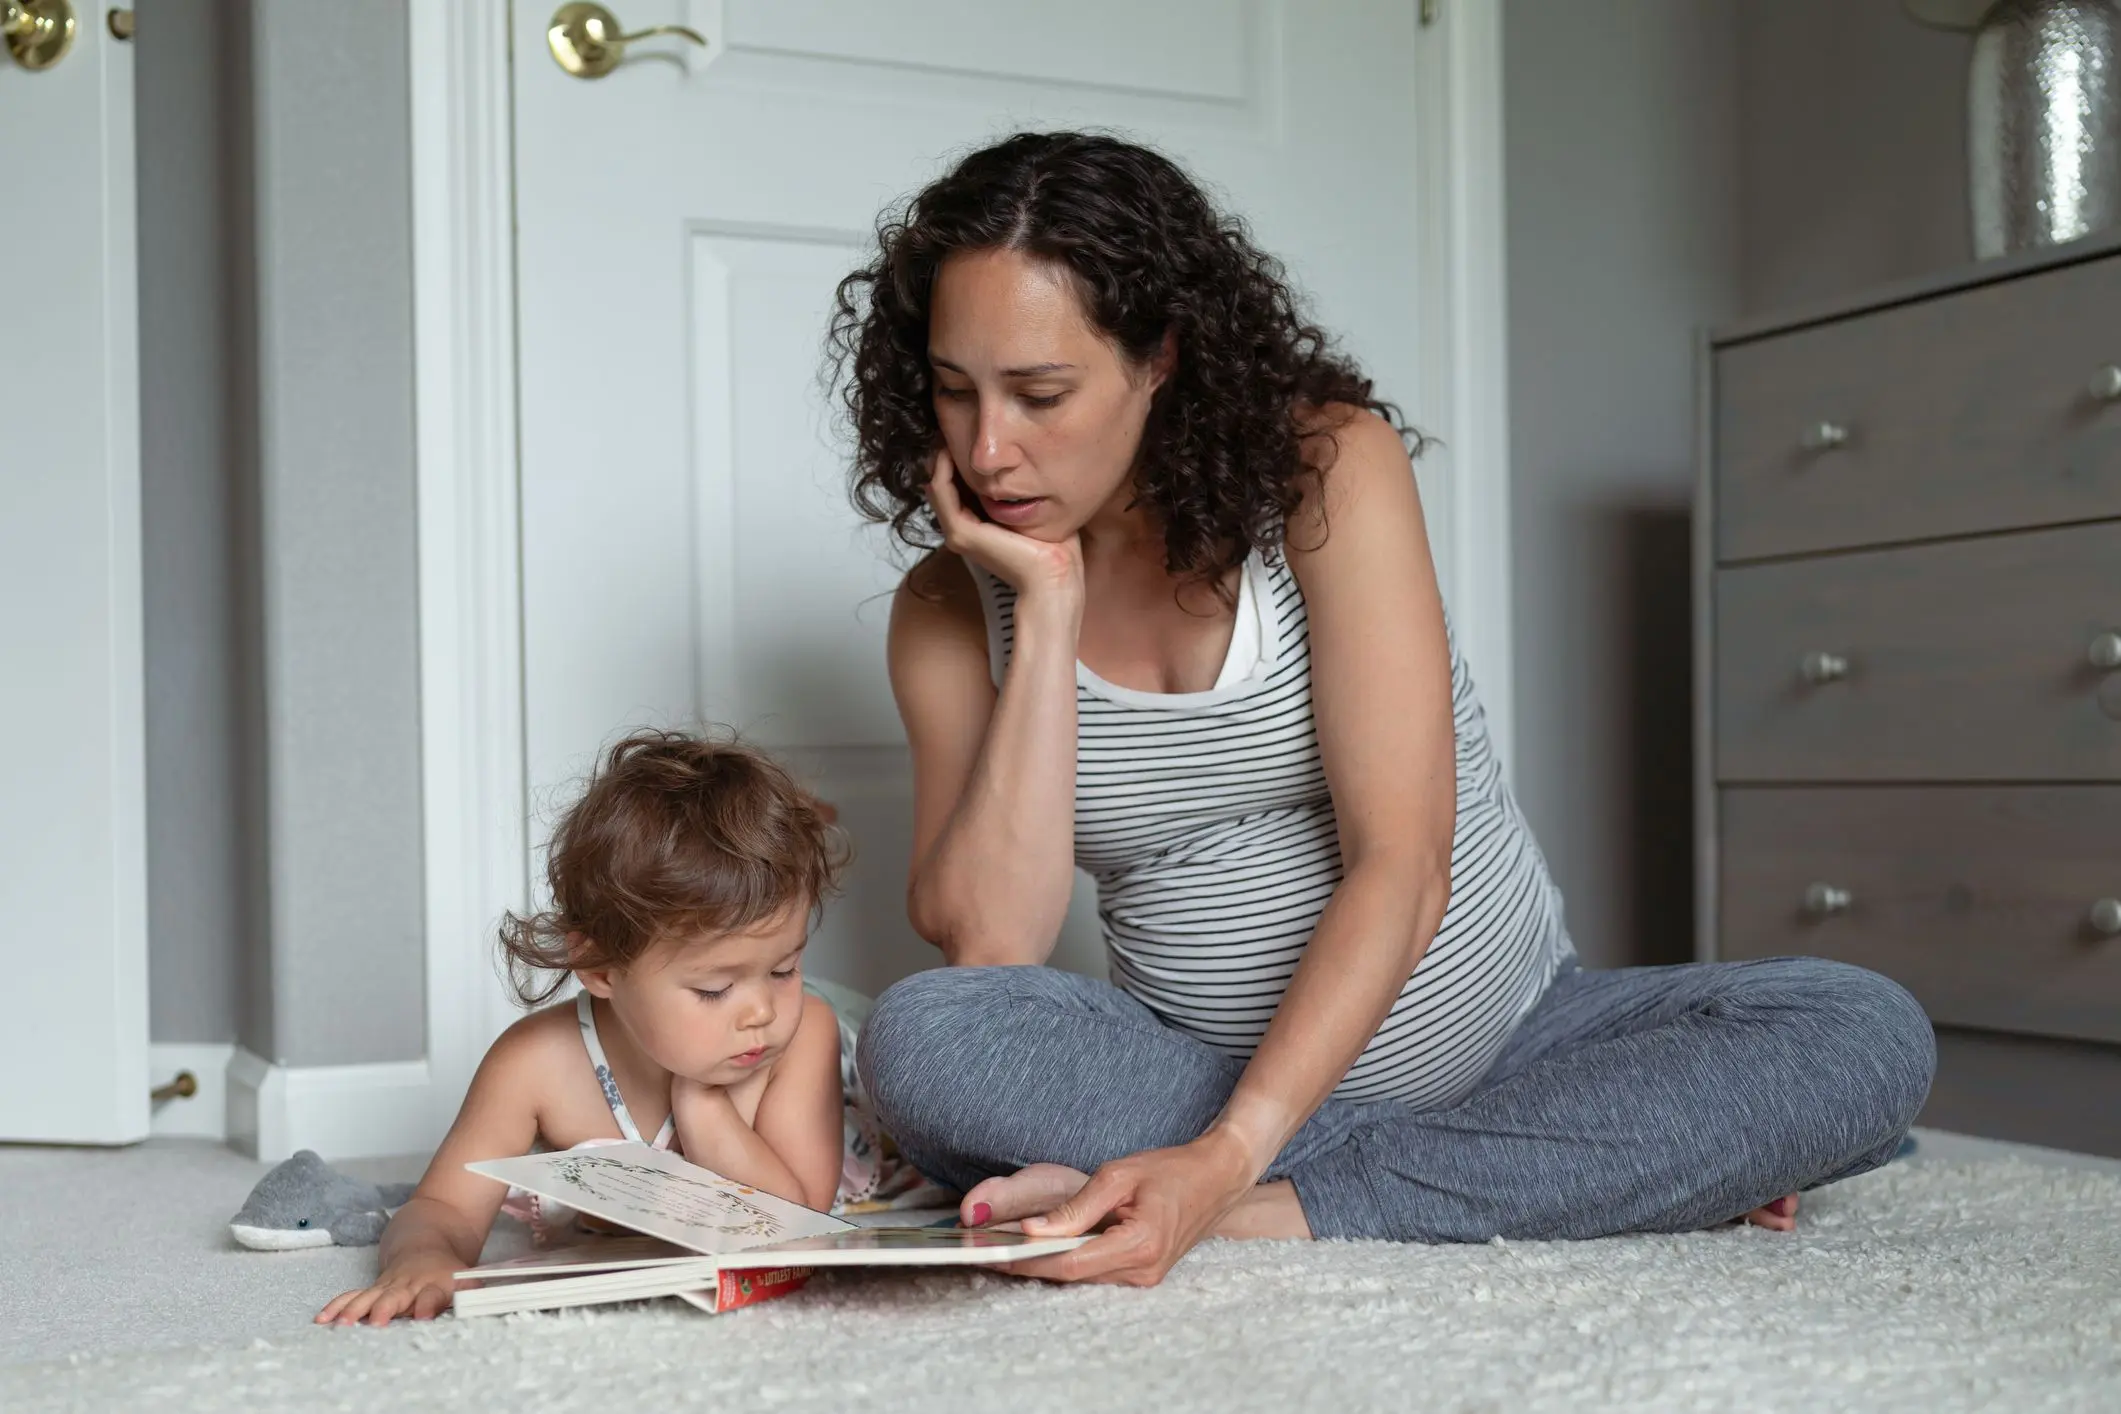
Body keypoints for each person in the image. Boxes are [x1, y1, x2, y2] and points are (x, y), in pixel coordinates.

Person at [831, 131, 1936, 1287]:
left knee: (1863, 1035)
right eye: (954, 390)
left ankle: (1259, 1206)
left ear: (1160, 358)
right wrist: (1047, 607)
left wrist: (1226, 1163)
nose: (988, 447)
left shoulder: (1324, 469)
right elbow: (991, 945)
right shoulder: (950, 608)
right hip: (1192, 1075)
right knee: (924, 1042)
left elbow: (1403, 864)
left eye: (1040, 394)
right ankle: (1569, 1169)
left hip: (1521, 1047)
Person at [317, 729, 912, 1326]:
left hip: (873, 1070)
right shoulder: (534, 1064)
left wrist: (704, 1107)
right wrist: (423, 1257)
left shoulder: (803, 1031)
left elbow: (799, 1222)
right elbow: (443, 1204)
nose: (761, 1011)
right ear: (600, 968)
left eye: (784, 968)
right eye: (714, 989)